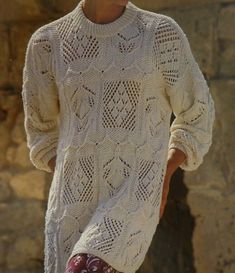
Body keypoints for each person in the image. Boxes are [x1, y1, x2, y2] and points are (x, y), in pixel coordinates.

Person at [21, 0, 215, 272]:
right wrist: (69, 176)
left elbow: (198, 113)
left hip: (134, 194)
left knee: (86, 268)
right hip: (71, 204)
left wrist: (164, 173)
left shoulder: (159, 33)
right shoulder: (47, 42)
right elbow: (40, 130)